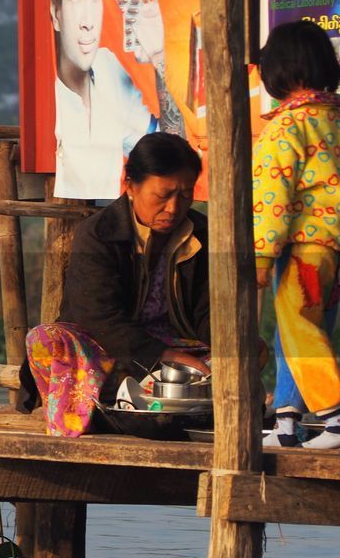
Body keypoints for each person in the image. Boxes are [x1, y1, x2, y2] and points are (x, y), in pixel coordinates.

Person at [20, 132, 209, 437]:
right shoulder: (98, 233)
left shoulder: (203, 233)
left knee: (243, 349)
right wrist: (164, 356)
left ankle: (163, 410)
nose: (174, 208)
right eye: (162, 196)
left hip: (179, 355)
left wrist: (227, 351)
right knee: (45, 339)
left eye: (185, 195)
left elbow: (208, 312)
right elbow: (97, 317)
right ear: (130, 186)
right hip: (113, 353)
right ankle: (106, 411)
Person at [253, 20, 340, 449]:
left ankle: (335, 419)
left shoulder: (285, 129)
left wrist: (260, 255)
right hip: (335, 257)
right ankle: (287, 422)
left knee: (298, 329)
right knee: (299, 331)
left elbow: (272, 198)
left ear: (277, 73)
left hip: (302, 253)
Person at [50, 0, 185, 199]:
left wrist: (159, 58)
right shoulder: (48, 94)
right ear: (55, 12)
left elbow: (173, 153)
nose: (88, 20)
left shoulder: (107, 67)